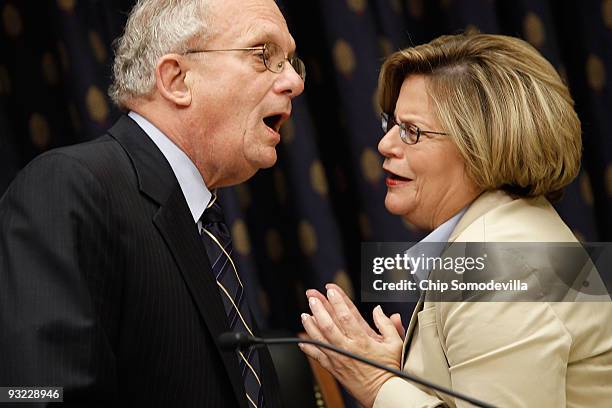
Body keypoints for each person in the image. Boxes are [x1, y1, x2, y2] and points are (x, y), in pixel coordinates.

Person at [0, 0, 304, 406]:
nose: (294, 82)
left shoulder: (203, 225)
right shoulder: (71, 187)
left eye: (290, 61)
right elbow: (35, 395)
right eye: (264, 55)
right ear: (176, 80)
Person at [299, 33, 612, 407]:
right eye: (392, 124)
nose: (385, 145)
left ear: (481, 144)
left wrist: (378, 385)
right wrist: (408, 373)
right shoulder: (511, 231)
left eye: (411, 131)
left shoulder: (501, 262)